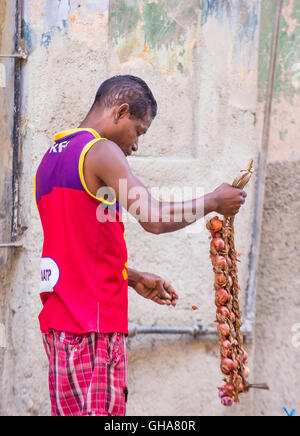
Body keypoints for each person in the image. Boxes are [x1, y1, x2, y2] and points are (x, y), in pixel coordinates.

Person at [34, 75, 247, 416]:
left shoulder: (50, 160)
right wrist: (214, 201)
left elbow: (72, 249)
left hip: (61, 328)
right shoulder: (99, 151)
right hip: (94, 329)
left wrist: (129, 277)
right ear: (120, 112)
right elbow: (155, 218)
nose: (135, 145)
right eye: (139, 131)